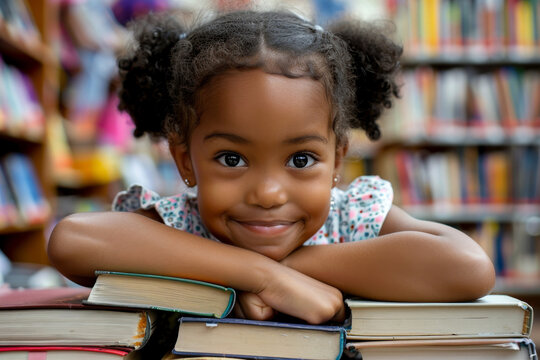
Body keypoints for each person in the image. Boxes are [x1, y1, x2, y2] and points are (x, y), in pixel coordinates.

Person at [48, 10, 495, 325]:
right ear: (185, 158)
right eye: (231, 159)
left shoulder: (350, 219)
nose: (268, 193)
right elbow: (73, 240)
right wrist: (262, 274)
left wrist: (301, 266)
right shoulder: (180, 223)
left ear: (337, 159)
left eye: (301, 160)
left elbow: (468, 267)